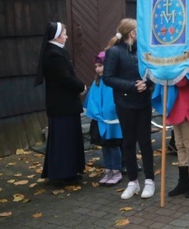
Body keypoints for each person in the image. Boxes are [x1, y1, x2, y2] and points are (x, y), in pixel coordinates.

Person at [102, 18, 156, 200]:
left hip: (143, 102)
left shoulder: (143, 51)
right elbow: (108, 78)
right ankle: (133, 181)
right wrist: (133, 86)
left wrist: (147, 84)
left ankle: (150, 180)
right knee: (128, 142)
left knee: (145, 142)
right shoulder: (114, 52)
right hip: (124, 104)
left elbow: (152, 72)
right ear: (132, 33)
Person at [34, 22, 87, 184]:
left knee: (68, 139)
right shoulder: (54, 55)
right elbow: (65, 78)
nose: (67, 36)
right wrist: (81, 86)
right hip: (62, 105)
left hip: (64, 105)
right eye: (64, 33)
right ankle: (63, 175)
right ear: (57, 36)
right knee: (64, 140)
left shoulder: (55, 52)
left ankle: (69, 171)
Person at [152, 70, 189, 198]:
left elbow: (182, 82)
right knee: (179, 144)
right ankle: (184, 180)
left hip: (186, 107)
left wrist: (168, 73)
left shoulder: (187, 65)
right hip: (174, 107)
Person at [85, 51, 123, 187]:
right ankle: (108, 170)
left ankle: (117, 171)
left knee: (113, 146)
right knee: (105, 147)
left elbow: (115, 100)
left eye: (100, 66)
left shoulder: (113, 81)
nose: (97, 69)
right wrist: (96, 113)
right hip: (101, 120)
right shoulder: (96, 82)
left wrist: (110, 112)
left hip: (112, 121)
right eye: (96, 66)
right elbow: (92, 99)